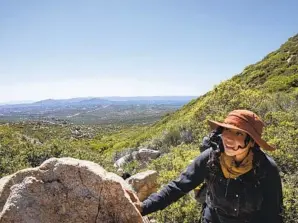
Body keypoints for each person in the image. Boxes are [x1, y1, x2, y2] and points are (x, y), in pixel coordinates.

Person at [130, 109, 283, 223]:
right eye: (227, 130)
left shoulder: (266, 169)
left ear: (252, 142)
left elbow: (272, 214)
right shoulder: (211, 158)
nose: (228, 138)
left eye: (239, 134)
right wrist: (143, 208)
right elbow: (178, 187)